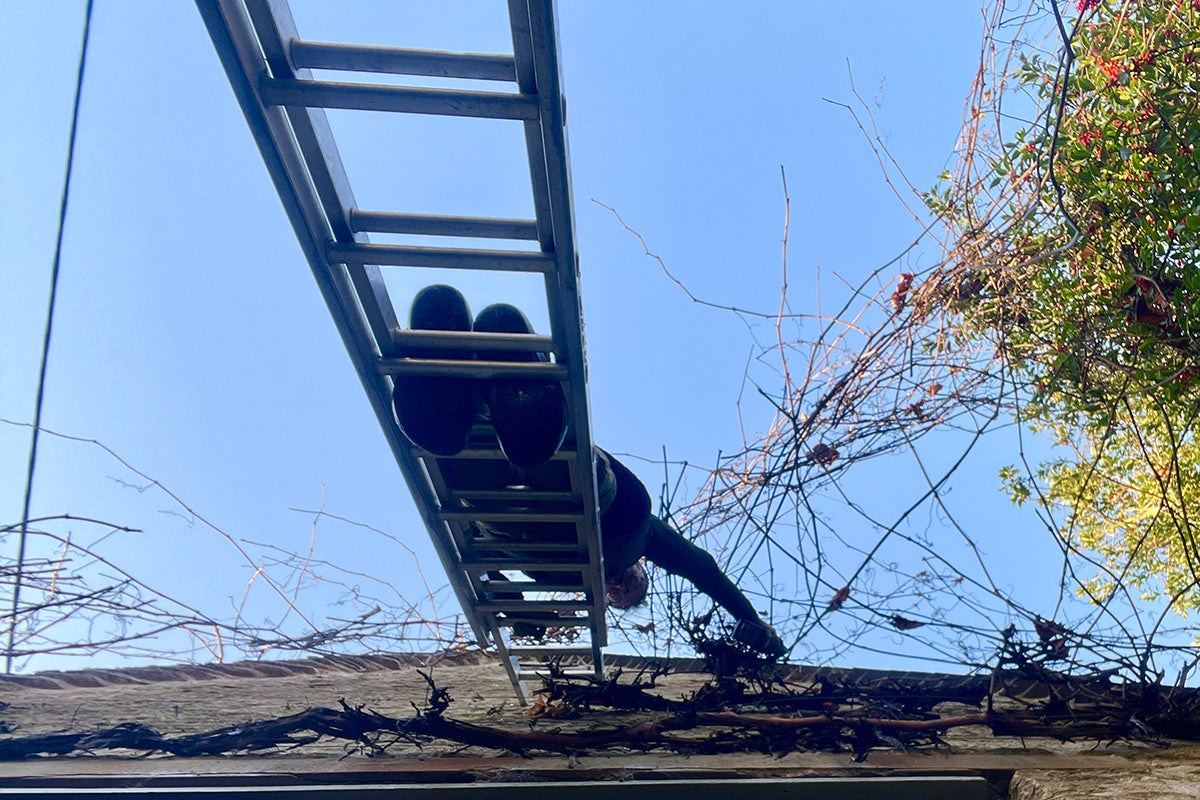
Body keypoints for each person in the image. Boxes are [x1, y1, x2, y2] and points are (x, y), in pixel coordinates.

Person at [393, 285, 786, 658]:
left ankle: (448, 397)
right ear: (641, 567)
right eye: (630, 583)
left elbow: (475, 555)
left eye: (616, 595)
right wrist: (751, 620)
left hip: (504, 515)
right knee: (545, 457)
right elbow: (702, 567)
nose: (617, 586)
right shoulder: (644, 542)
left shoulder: (571, 584)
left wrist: (519, 609)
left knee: (464, 466)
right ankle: (523, 390)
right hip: (591, 500)